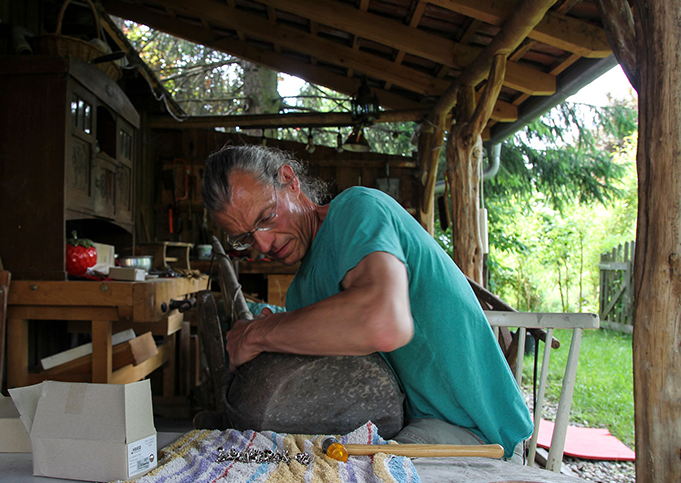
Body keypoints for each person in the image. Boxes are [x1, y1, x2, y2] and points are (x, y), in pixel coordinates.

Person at [201, 144, 533, 459]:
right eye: (245, 238)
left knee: (363, 480)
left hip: (478, 431)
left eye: (267, 217)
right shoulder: (301, 291)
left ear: (289, 181)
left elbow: (383, 322)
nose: (263, 242)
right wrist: (266, 326)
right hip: (409, 422)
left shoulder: (357, 210)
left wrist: (258, 333)